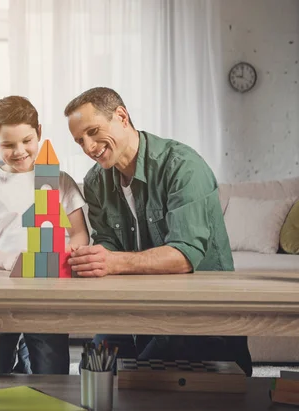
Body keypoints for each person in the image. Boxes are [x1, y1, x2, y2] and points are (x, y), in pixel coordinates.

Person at [63, 87, 253, 377]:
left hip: (198, 314)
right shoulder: (95, 181)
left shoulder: (183, 166)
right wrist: (91, 259)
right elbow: (107, 243)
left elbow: (184, 256)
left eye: (93, 131)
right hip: (135, 308)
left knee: (137, 381)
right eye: (80, 141)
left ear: (122, 117)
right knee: (93, 370)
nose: (89, 147)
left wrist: (114, 262)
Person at [0, 95, 90, 374]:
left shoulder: (59, 180)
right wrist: (7, 260)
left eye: (27, 140)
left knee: (51, 366)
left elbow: (79, 234)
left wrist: (62, 257)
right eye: (8, 145)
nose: (20, 151)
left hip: (46, 286)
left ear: (39, 132)